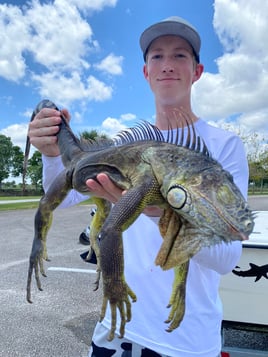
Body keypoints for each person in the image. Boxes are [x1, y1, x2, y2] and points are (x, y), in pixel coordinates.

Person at [27, 16, 249, 357]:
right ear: (146, 72)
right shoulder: (124, 150)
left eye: (179, 55)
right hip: (116, 331)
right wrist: (50, 153)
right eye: (157, 56)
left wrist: (160, 211)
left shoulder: (224, 147)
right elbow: (68, 196)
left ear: (198, 71)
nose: (167, 65)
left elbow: (227, 257)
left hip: (186, 342)